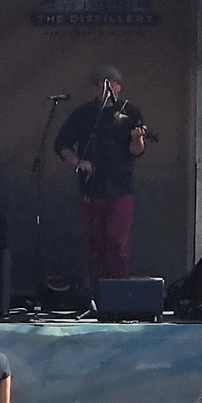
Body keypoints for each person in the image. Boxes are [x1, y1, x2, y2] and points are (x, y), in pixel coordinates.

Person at [54, 64, 150, 286]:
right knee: (95, 245)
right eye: (100, 84)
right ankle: (98, 293)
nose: (105, 88)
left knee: (117, 243)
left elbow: (136, 151)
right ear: (94, 88)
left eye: (110, 84)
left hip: (120, 187)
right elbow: (62, 144)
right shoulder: (83, 114)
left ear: (119, 87)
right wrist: (78, 162)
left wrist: (137, 138)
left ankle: (119, 292)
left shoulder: (131, 112)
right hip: (91, 187)